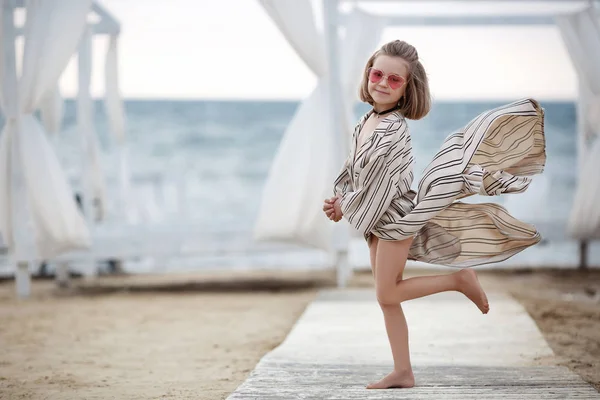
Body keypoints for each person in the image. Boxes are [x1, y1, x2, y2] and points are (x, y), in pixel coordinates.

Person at [323, 40, 545, 389]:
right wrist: (340, 195)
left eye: (394, 80)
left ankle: (457, 280)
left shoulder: (392, 128)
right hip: (376, 218)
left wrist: (346, 205)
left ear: (408, 88)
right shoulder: (366, 120)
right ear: (367, 73)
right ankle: (403, 371)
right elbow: (354, 170)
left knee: (387, 294)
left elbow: (378, 185)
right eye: (377, 73)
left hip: (396, 219)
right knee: (387, 299)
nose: (382, 82)